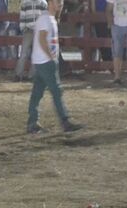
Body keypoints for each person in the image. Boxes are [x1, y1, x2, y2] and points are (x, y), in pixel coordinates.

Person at [26, 0, 82, 133]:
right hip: (46, 61)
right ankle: (65, 121)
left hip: (41, 60)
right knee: (56, 91)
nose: (60, 4)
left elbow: (42, 39)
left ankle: (32, 122)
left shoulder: (48, 18)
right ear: (50, 3)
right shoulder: (47, 19)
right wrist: (51, 56)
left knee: (37, 93)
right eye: (58, 2)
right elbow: (42, 38)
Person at [15, 0, 47, 80]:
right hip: (28, 30)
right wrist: (23, 29)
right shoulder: (25, 2)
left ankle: (32, 75)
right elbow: (22, 16)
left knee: (35, 54)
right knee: (23, 53)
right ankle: (19, 75)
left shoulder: (43, 3)